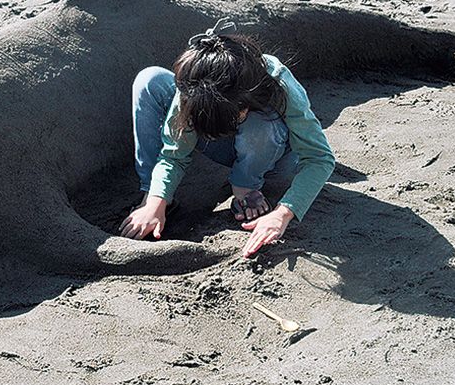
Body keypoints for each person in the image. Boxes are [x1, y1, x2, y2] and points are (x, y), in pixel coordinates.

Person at [123, 32, 334, 258]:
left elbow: (319, 158)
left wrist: (282, 213)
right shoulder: (195, 82)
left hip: (275, 153)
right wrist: (157, 199)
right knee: (151, 79)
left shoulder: (277, 81)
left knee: (260, 122)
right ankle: (152, 198)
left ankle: (246, 187)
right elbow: (173, 155)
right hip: (225, 138)